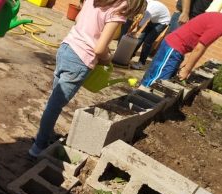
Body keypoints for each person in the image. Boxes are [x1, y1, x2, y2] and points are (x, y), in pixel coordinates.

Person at [28, 0, 146, 157]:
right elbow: (99, 48)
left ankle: (44, 134)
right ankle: (38, 146)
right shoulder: (117, 11)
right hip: (80, 59)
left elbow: (78, 20)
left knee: (54, 99)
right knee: (55, 105)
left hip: (66, 47)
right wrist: (107, 58)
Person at [140, 12, 222, 88]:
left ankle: (139, 94)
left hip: (175, 47)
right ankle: (141, 98)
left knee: (155, 74)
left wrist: (187, 65)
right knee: (158, 81)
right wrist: (187, 70)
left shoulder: (218, 18)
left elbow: (200, 45)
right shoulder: (219, 25)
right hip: (173, 47)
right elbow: (199, 48)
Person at [129, 0, 171, 70]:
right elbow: (138, 20)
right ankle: (129, 56)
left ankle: (141, 63)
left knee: (147, 42)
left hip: (162, 22)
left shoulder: (148, 11)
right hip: (154, 19)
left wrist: (134, 32)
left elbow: (141, 24)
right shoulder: (143, 3)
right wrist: (131, 31)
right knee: (140, 38)